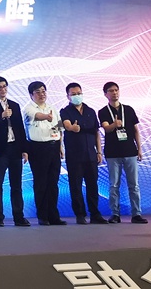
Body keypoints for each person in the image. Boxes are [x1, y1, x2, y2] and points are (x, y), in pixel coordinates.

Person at [98, 82, 147, 224]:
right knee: (114, 185)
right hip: (113, 153)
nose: (114, 93)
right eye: (111, 91)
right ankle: (115, 214)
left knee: (134, 184)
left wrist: (139, 149)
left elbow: (136, 130)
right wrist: (115, 125)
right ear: (105, 94)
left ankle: (136, 214)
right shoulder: (103, 111)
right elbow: (106, 128)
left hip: (130, 151)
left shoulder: (129, 109)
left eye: (116, 90)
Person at [0, 76, 30, 227]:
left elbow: (20, 128)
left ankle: (19, 216)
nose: (3, 89)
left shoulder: (15, 105)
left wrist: (24, 149)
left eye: (4, 86)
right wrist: (1, 116)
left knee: (16, 185)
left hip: (15, 149)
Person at [61, 82, 108, 225]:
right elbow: (66, 125)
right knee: (75, 186)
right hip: (74, 155)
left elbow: (96, 132)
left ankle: (95, 214)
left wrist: (99, 152)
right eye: (73, 94)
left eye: (79, 93)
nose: (77, 96)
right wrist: (72, 127)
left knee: (93, 185)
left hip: (91, 154)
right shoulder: (65, 111)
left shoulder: (90, 111)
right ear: (68, 96)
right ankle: (80, 214)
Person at [23, 81, 66, 226]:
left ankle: (54, 216)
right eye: (38, 92)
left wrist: (60, 146)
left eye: (43, 91)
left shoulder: (52, 107)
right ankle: (42, 216)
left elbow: (59, 128)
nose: (42, 94)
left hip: (54, 146)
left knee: (53, 183)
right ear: (31, 95)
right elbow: (38, 116)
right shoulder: (28, 109)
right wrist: (47, 117)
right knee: (41, 183)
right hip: (37, 148)